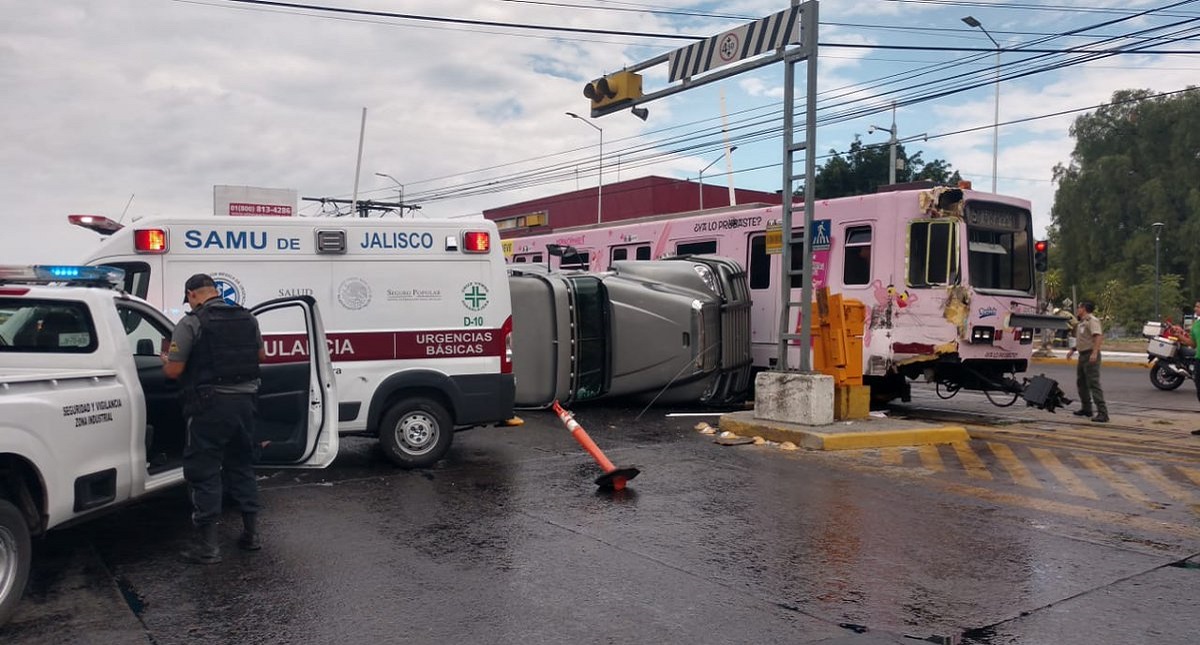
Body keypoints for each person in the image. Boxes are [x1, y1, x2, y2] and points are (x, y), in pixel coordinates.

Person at [162, 274, 266, 564]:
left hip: (209, 407)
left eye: (189, 299)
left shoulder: (192, 322)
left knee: (204, 472)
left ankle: (208, 548)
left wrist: (166, 362)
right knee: (242, 466)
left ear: (192, 294)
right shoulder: (248, 318)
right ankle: (251, 536)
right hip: (246, 404)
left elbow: (173, 372)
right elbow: (261, 356)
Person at [1065, 300, 1108, 423]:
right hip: (1082, 354)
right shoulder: (1082, 323)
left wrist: (1095, 352)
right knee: (1081, 383)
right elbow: (1082, 339)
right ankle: (1086, 408)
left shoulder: (1092, 320)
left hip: (1090, 354)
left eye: (1079, 307)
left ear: (1083, 308)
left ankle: (1103, 413)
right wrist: (1073, 350)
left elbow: (1098, 336)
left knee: (1093, 383)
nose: (1077, 310)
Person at [1171, 300, 1200, 436]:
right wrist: (1180, 337)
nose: (1196, 308)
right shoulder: (1196, 325)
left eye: (1198, 306)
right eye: (1196, 306)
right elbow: (1193, 344)